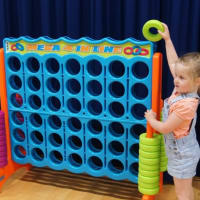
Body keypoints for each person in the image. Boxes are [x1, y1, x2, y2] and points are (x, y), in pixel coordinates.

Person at [144, 23, 200, 200]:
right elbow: (174, 63)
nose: (175, 80)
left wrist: (151, 119)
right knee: (185, 190)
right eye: (176, 75)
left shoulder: (187, 104)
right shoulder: (182, 89)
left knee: (182, 193)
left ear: (197, 81)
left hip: (182, 156)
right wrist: (167, 40)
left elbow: (166, 128)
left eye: (181, 77)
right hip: (182, 153)